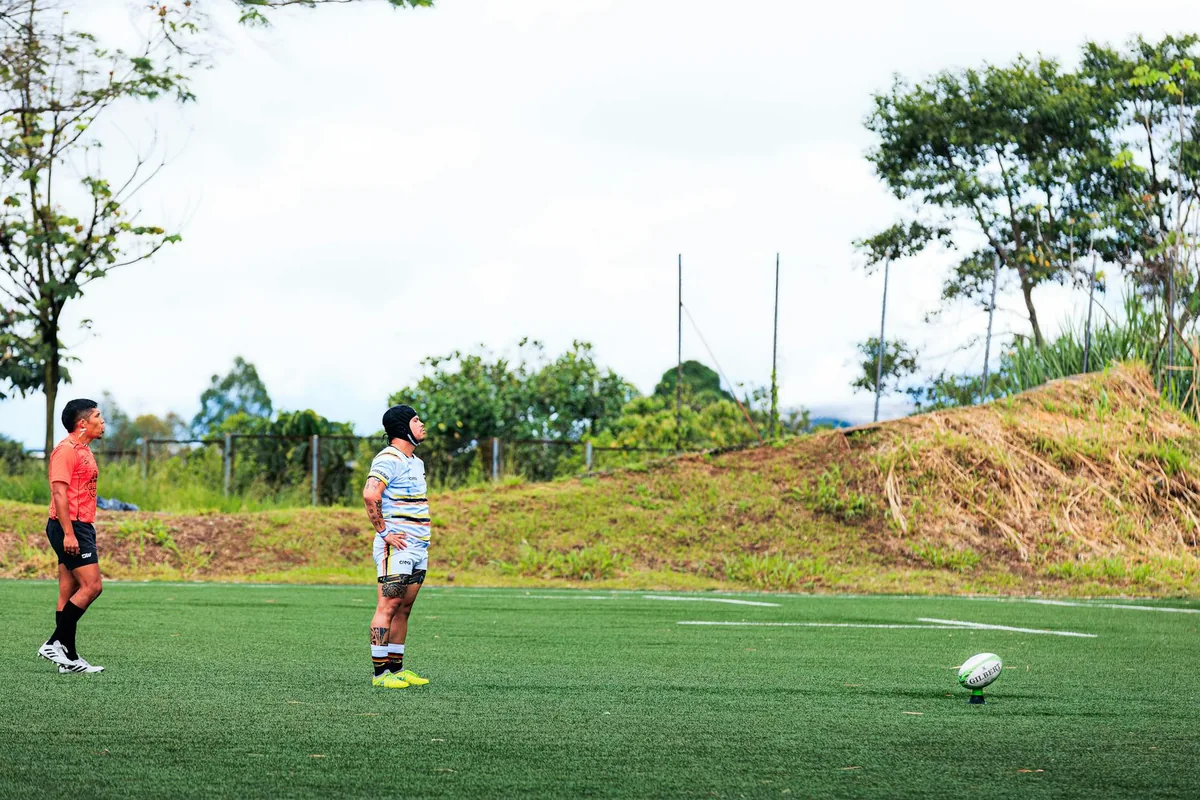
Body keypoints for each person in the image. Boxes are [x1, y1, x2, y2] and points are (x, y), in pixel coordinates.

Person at [362, 404, 432, 689]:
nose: (422, 424)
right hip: (398, 546)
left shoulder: (415, 461)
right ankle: (380, 675)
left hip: (418, 545)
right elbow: (370, 494)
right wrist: (384, 532)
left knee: (404, 607)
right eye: (416, 420)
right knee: (388, 605)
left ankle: (397, 669)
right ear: (404, 427)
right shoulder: (388, 458)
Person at [37, 398, 107, 674]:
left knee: (68, 589)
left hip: (80, 526)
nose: (102, 422)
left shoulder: (85, 449)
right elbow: (58, 493)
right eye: (98, 417)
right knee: (92, 586)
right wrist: (69, 533)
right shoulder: (65, 450)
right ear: (82, 423)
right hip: (70, 527)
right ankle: (54, 643)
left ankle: (69, 658)